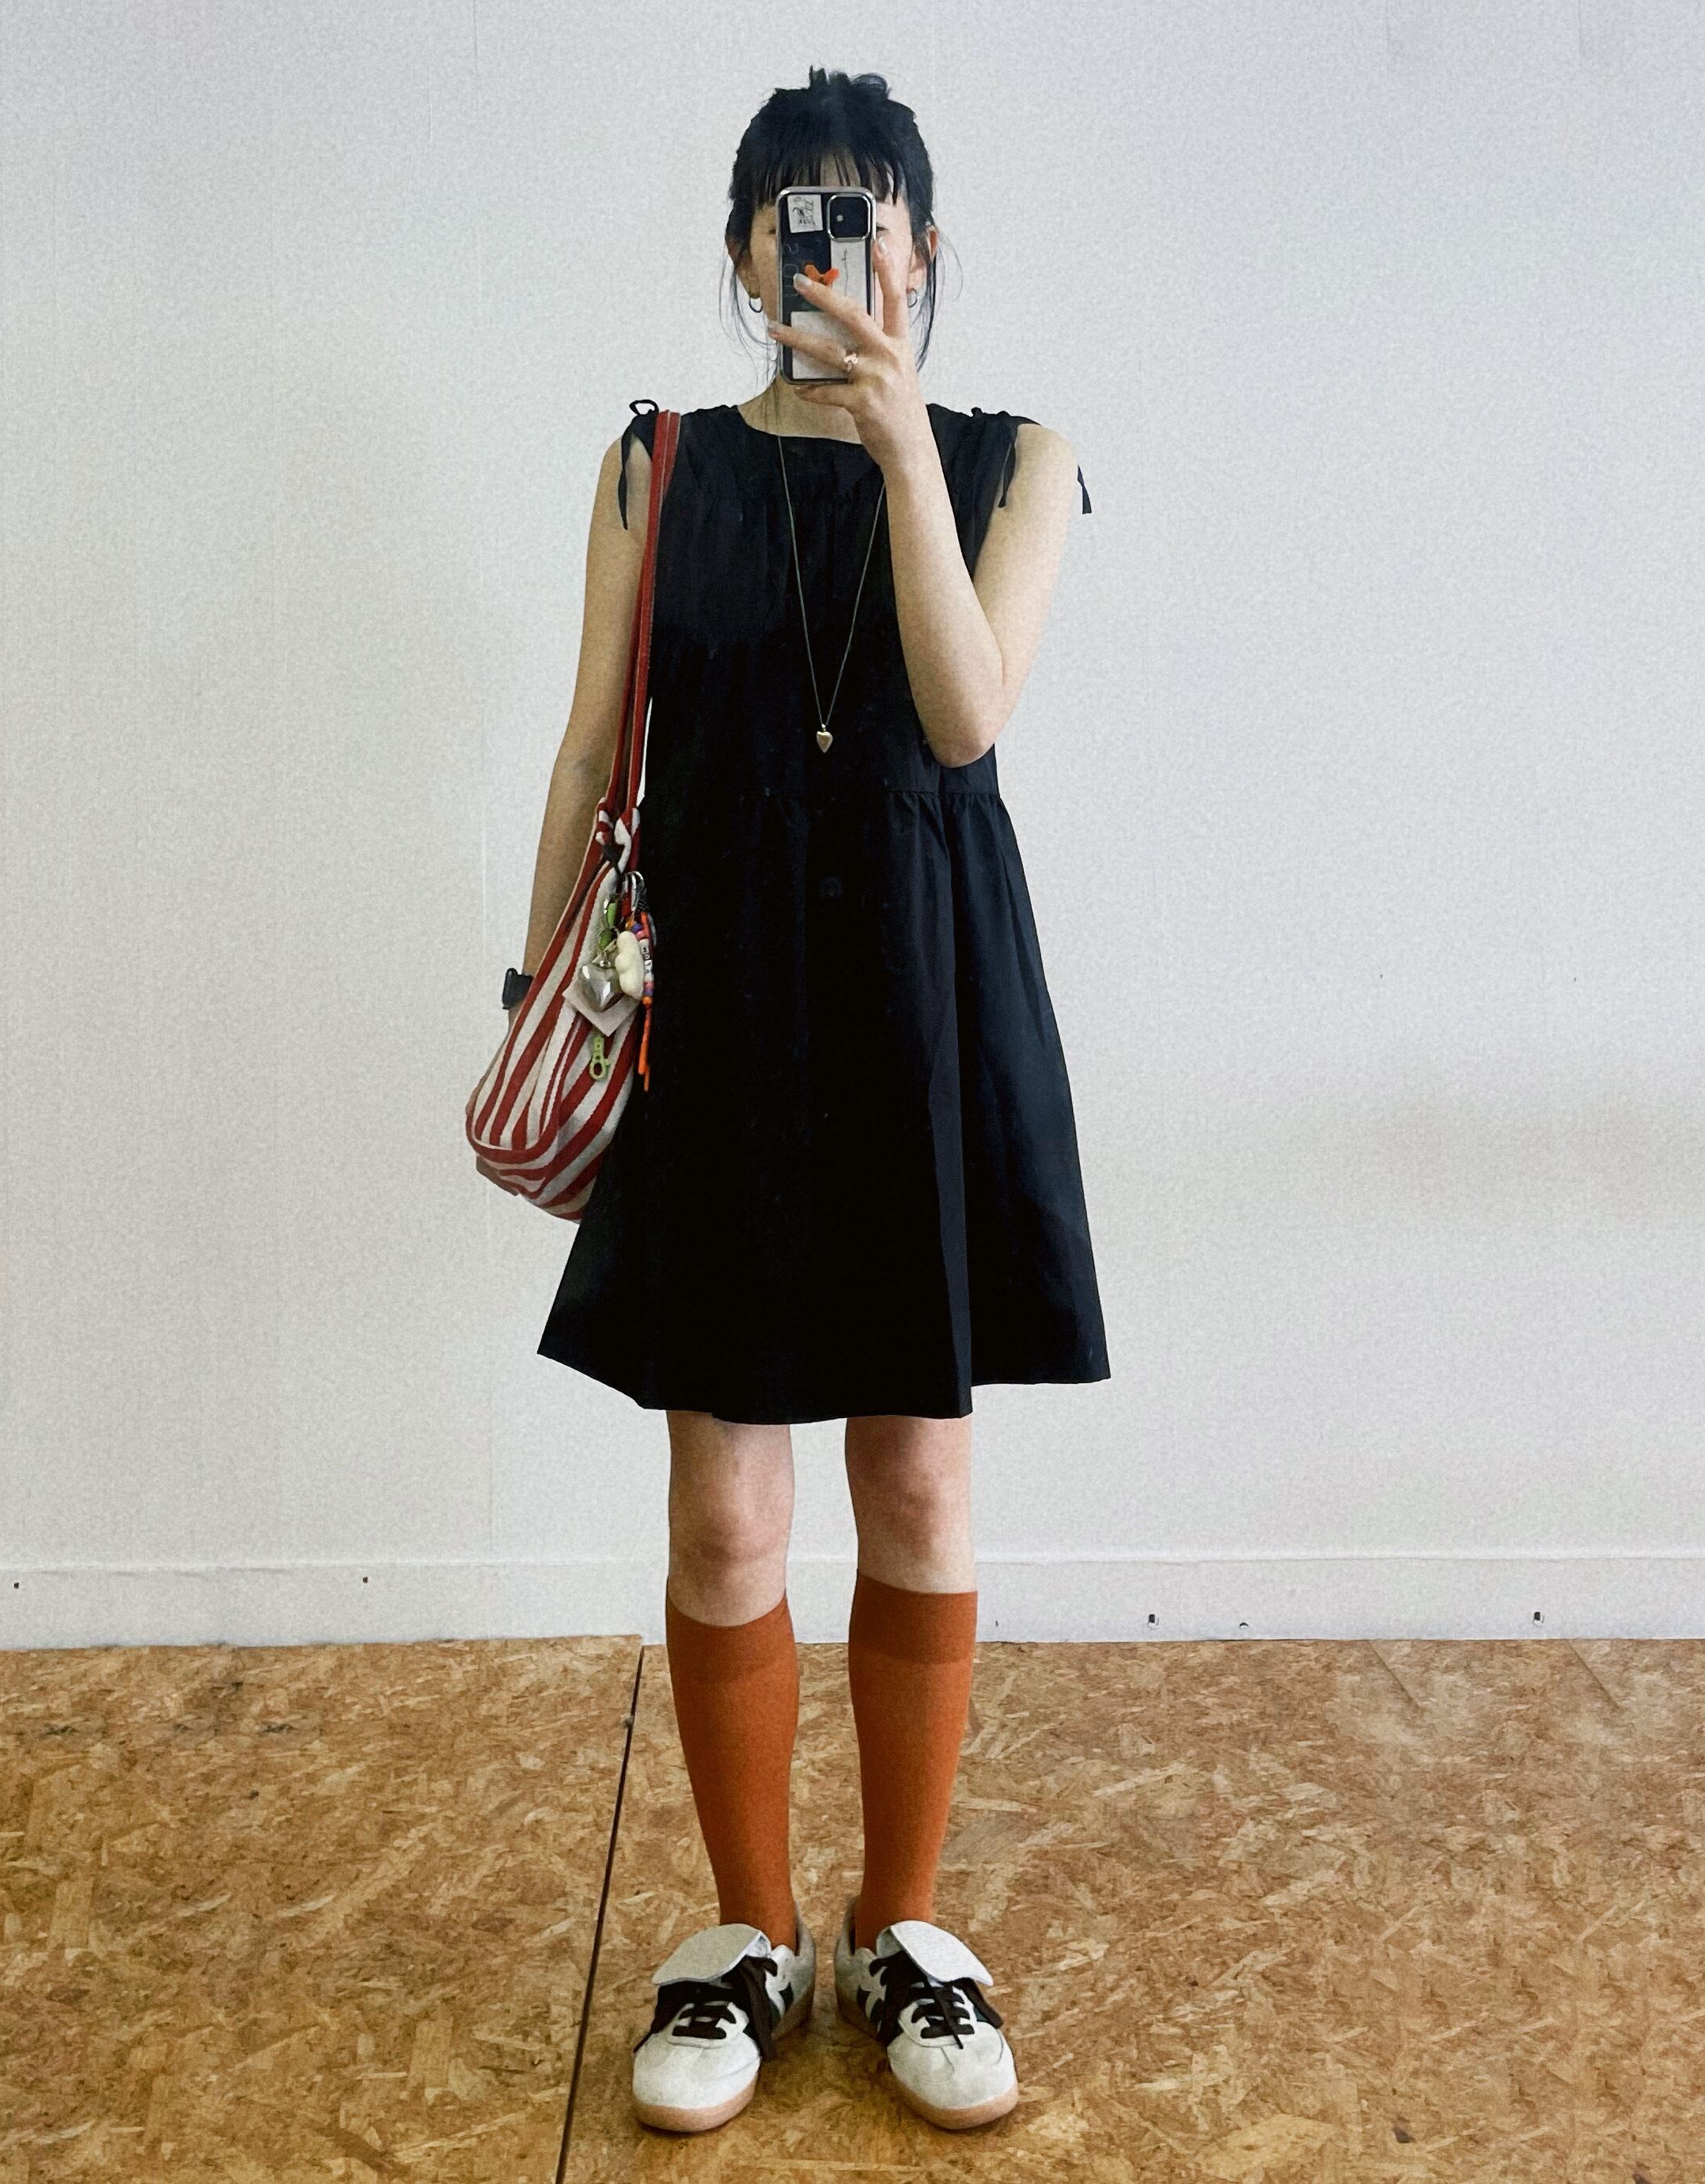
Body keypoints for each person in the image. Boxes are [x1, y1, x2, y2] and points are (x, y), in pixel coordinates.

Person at [483, 67, 1107, 2136]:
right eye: (796, 213)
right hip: (725, 1014)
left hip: (928, 1019)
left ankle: (902, 1925)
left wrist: (902, 441)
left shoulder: (1018, 461)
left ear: (924, 245)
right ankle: (748, 1932)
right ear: (744, 247)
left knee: (918, 1484)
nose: (832, 245)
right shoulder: (656, 463)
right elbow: (591, 745)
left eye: (869, 212)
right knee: (727, 1504)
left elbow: (964, 712)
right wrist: (538, 992)